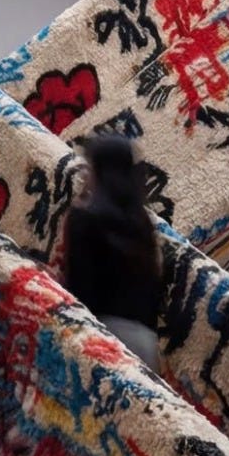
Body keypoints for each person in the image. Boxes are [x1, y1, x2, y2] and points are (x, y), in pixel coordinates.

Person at [63, 135, 162, 371]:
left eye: (88, 168)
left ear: (99, 172)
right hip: (145, 346)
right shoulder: (143, 223)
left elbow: (80, 291)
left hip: (101, 340)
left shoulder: (83, 219)